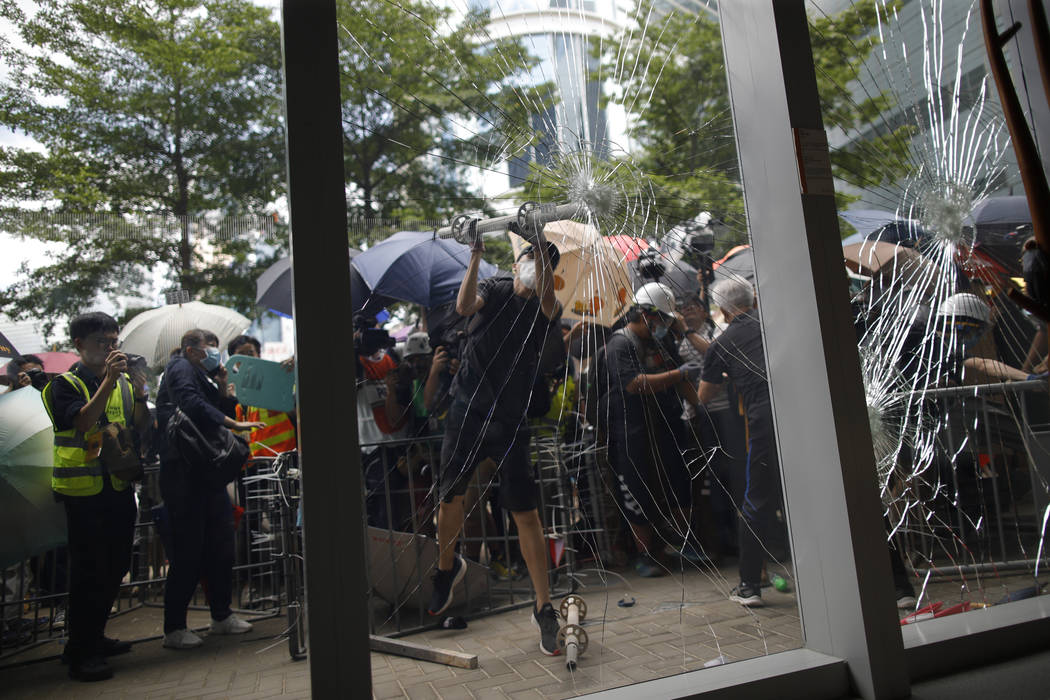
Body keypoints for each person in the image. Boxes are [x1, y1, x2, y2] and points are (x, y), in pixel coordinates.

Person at [429, 233, 563, 656]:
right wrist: (476, 256)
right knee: (451, 495)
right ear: (516, 259)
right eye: (528, 256)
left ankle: (544, 607)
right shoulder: (496, 286)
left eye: (542, 262)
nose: (532, 265)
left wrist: (542, 260)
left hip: (510, 420)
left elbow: (547, 303)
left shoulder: (547, 305)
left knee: (526, 512)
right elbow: (464, 307)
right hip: (467, 410)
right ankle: (446, 569)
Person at [40, 312, 150, 681]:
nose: (111, 349)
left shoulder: (120, 382)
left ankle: (94, 638)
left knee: (117, 564)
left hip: (117, 485)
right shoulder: (63, 385)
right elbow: (84, 422)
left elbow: (139, 424)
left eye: (115, 342)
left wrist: (141, 393)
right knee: (88, 573)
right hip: (83, 492)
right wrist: (110, 380)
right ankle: (81, 652)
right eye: (103, 343)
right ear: (79, 345)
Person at [155, 329, 264, 650]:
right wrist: (233, 424)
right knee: (188, 552)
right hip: (183, 474)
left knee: (221, 545)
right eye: (209, 349)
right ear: (191, 350)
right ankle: (174, 628)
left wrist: (220, 387)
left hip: (207, 474)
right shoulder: (180, 368)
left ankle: (221, 615)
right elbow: (190, 404)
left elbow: (219, 411)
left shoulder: (201, 373)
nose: (214, 354)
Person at [597, 282, 703, 577]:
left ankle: (687, 543)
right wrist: (677, 374)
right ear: (646, 315)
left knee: (679, 482)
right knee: (636, 491)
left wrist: (699, 406)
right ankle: (645, 555)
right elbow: (633, 383)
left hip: (665, 424)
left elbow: (681, 378)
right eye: (663, 319)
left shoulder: (663, 341)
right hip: (631, 430)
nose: (665, 325)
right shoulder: (620, 344)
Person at [698, 278, 781, 607]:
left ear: (721, 310)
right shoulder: (775, 323)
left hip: (764, 424)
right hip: (805, 417)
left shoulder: (723, 341)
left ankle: (749, 586)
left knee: (756, 500)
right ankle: (900, 588)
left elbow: (704, 395)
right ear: (754, 300)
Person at [227, 335, 298, 457]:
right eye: (241, 354)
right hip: (255, 460)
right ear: (234, 359)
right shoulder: (233, 390)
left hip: (284, 455)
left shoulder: (277, 379)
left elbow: (295, 413)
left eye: (250, 353)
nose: (246, 358)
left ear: (258, 355)